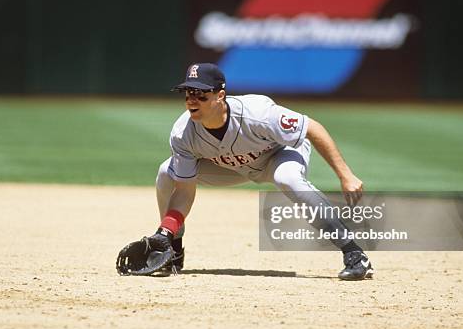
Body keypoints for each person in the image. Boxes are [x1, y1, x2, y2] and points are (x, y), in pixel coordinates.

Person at [150, 63, 373, 280]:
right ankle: (172, 249)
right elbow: (184, 191)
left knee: (287, 179)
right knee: (166, 172)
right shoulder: (183, 133)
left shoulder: (257, 113)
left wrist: (346, 175)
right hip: (233, 167)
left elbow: (312, 128)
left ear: (220, 96)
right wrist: (166, 230)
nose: (192, 101)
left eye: (201, 95)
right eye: (188, 93)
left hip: (278, 156)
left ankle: (354, 254)